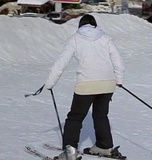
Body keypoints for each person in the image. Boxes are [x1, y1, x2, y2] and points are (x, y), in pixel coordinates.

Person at [45, 14, 125, 160]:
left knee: (75, 117)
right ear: (95, 24)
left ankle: (70, 153)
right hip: (108, 83)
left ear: (80, 25)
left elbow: (61, 63)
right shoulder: (105, 37)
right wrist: (119, 80)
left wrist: (50, 83)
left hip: (86, 84)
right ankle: (105, 146)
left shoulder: (75, 38)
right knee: (101, 115)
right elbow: (118, 60)